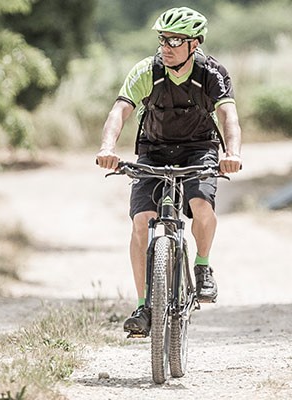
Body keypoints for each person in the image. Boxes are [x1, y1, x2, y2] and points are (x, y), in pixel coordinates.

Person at [96, 7, 242, 337]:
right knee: (140, 221)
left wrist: (231, 154)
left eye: (176, 40)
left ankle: (202, 267)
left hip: (199, 148)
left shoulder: (212, 73)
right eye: (163, 38)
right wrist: (107, 148)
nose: (167, 45)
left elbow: (229, 117)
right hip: (153, 149)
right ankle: (145, 305)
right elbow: (119, 111)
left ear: (195, 44)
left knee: (201, 206)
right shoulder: (146, 70)